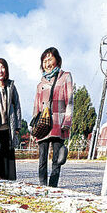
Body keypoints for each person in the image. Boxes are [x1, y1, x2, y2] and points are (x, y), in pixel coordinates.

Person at [31, 47, 73, 187]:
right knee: (42, 158)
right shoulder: (40, 84)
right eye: (44, 60)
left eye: (50, 59)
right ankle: (42, 186)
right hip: (43, 124)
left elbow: (69, 101)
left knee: (57, 159)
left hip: (58, 122)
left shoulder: (65, 76)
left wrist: (67, 121)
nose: (47, 63)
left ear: (57, 60)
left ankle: (53, 186)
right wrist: (33, 128)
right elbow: (36, 107)